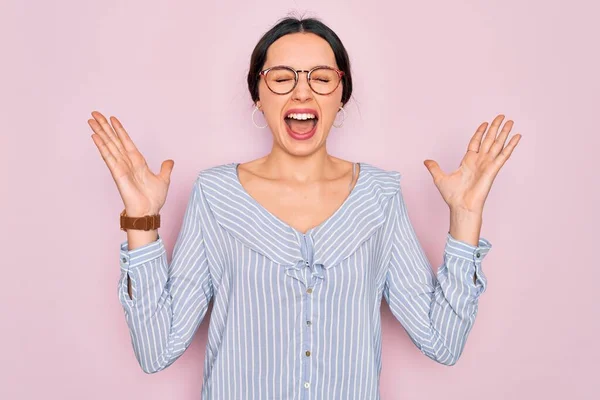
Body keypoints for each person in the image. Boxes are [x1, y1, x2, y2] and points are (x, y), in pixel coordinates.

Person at [88, 16, 521, 400]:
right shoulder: (215, 195)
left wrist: (465, 217)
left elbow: (442, 343)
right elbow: (156, 348)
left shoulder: (380, 197)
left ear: (341, 94)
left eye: (321, 77)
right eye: (281, 77)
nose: (302, 91)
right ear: (258, 94)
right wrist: (141, 221)